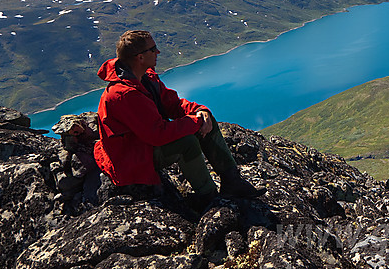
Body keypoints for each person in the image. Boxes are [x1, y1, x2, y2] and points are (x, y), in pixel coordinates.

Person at [93, 30, 265, 205]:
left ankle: (232, 181)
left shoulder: (146, 77)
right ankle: (208, 197)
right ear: (140, 58)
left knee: (207, 119)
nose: (158, 52)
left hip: (145, 144)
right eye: (153, 49)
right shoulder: (123, 95)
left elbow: (173, 105)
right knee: (187, 143)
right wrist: (195, 122)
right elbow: (157, 134)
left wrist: (200, 111)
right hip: (133, 155)